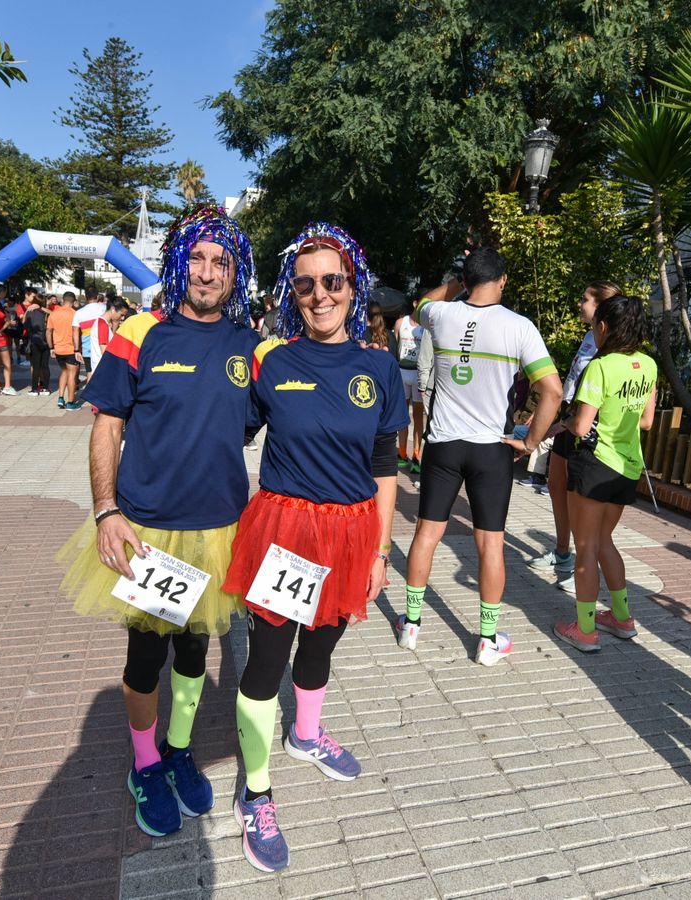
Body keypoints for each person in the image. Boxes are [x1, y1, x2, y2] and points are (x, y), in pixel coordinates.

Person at [56, 205, 260, 840]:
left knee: (196, 649)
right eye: (196, 259)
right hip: (146, 530)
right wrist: (105, 511)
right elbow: (106, 424)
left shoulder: (251, 346)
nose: (206, 272)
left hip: (220, 531)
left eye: (219, 262)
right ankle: (144, 763)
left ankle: (178, 749)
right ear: (179, 263)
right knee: (147, 656)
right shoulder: (141, 331)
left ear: (235, 273)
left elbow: (266, 419)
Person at [219, 222, 405, 873]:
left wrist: (380, 550)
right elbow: (225, 432)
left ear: (353, 285)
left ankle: (305, 734)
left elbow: (386, 466)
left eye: (333, 281)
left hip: (353, 534)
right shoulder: (272, 360)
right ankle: (256, 793)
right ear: (291, 292)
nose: (320, 294)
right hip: (286, 532)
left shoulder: (380, 367)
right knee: (267, 658)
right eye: (306, 284)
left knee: (323, 640)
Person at [397, 248, 562, 665]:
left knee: (426, 534)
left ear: (466, 281)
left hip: (443, 445)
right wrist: (530, 443)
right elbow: (553, 391)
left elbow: (420, 307)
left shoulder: (443, 315)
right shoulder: (520, 327)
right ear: (503, 280)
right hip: (492, 449)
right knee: (490, 543)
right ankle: (488, 639)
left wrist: (456, 280)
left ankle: (411, 627)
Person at [551, 294, 657, 652]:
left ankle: (585, 629)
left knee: (586, 547)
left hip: (596, 465)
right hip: (627, 467)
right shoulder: (649, 364)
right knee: (604, 542)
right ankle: (623, 618)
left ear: (605, 326)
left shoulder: (601, 366)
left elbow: (581, 427)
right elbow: (646, 421)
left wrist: (564, 421)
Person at [526, 281, 619, 591]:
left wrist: (565, 420)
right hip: (567, 417)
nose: (580, 304)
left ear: (600, 307)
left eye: (585, 300)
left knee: (578, 497)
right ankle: (563, 552)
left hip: (584, 426)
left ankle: (583, 567)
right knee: (556, 486)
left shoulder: (609, 345)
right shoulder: (588, 337)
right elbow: (572, 382)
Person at [394, 308, 426, 472]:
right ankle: (401, 453)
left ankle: (416, 456)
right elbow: (395, 348)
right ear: (415, 303)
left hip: (418, 374)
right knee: (402, 415)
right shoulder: (401, 323)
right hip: (402, 371)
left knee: (418, 417)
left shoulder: (427, 325)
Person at [47, 292, 81, 409]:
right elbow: (77, 332)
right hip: (71, 349)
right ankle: (70, 402)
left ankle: (61, 398)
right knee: (72, 375)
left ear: (63, 300)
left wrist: (51, 347)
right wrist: (77, 349)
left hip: (58, 349)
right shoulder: (75, 314)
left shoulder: (54, 314)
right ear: (73, 301)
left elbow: (49, 332)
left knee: (64, 372)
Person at [23, 291, 50, 395]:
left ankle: (34, 389)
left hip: (34, 341)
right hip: (46, 341)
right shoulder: (46, 313)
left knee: (35, 366)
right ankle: (45, 388)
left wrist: (28, 310)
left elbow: (24, 324)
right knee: (45, 366)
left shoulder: (30, 312)